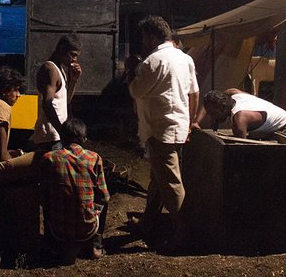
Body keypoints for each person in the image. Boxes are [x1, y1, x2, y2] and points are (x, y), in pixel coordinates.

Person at [126, 15, 199, 248]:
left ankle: (184, 234)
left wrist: (131, 73)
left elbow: (135, 91)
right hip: (177, 127)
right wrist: (189, 123)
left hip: (159, 129)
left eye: (144, 37)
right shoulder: (185, 59)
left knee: (171, 183)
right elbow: (193, 94)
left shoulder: (152, 62)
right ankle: (148, 224)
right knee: (158, 180)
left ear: (151, 36)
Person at [40, 117, 109, 264]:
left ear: (62, 138)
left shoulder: (49, 158)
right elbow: (104, 197)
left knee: (47, 197)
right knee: (104, 200)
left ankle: (50, 242)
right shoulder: (94, 158)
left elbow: (44, 194)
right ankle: (96, 245)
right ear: (84, 139)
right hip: (88, 228)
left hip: (58, 229)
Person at [194, 87, 286, 142]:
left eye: (213, 114)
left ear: (222, 108)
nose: (212, 117)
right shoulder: (233, 93)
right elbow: (209, 100)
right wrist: (197, 122)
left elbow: (242, 151)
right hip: (275, 129)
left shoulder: (239, 119)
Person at [33, 34, 82, 151]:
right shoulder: (50, 70)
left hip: (56, 136)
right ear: (62, 49)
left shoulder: (59, 70)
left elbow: (66, 101)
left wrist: (74, 80)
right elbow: (47, 103)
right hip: (50, 137)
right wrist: (62, 131)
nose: (75, 60)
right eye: (73, 55)